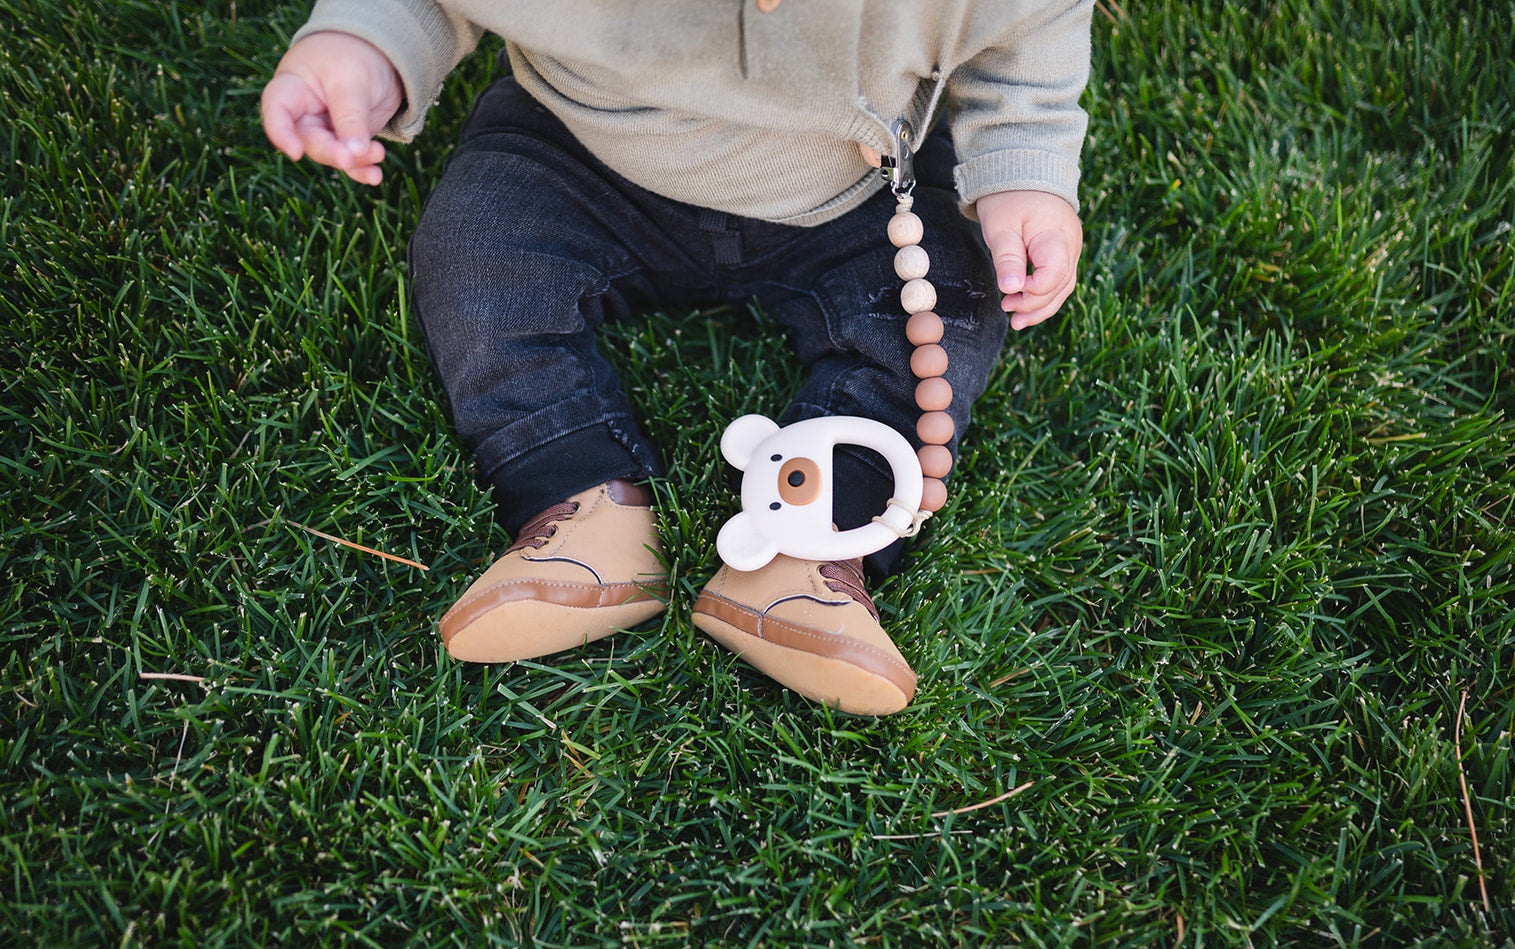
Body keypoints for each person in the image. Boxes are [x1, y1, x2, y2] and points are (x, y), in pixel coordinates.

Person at [260, 0, 1090, 716]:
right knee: (477, 247)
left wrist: (1026, 165)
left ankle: (811, 547)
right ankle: (580, 498)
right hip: (583, 143)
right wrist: (367, 39)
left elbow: (1028, 23)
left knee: (949, 303)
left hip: (860, 178)